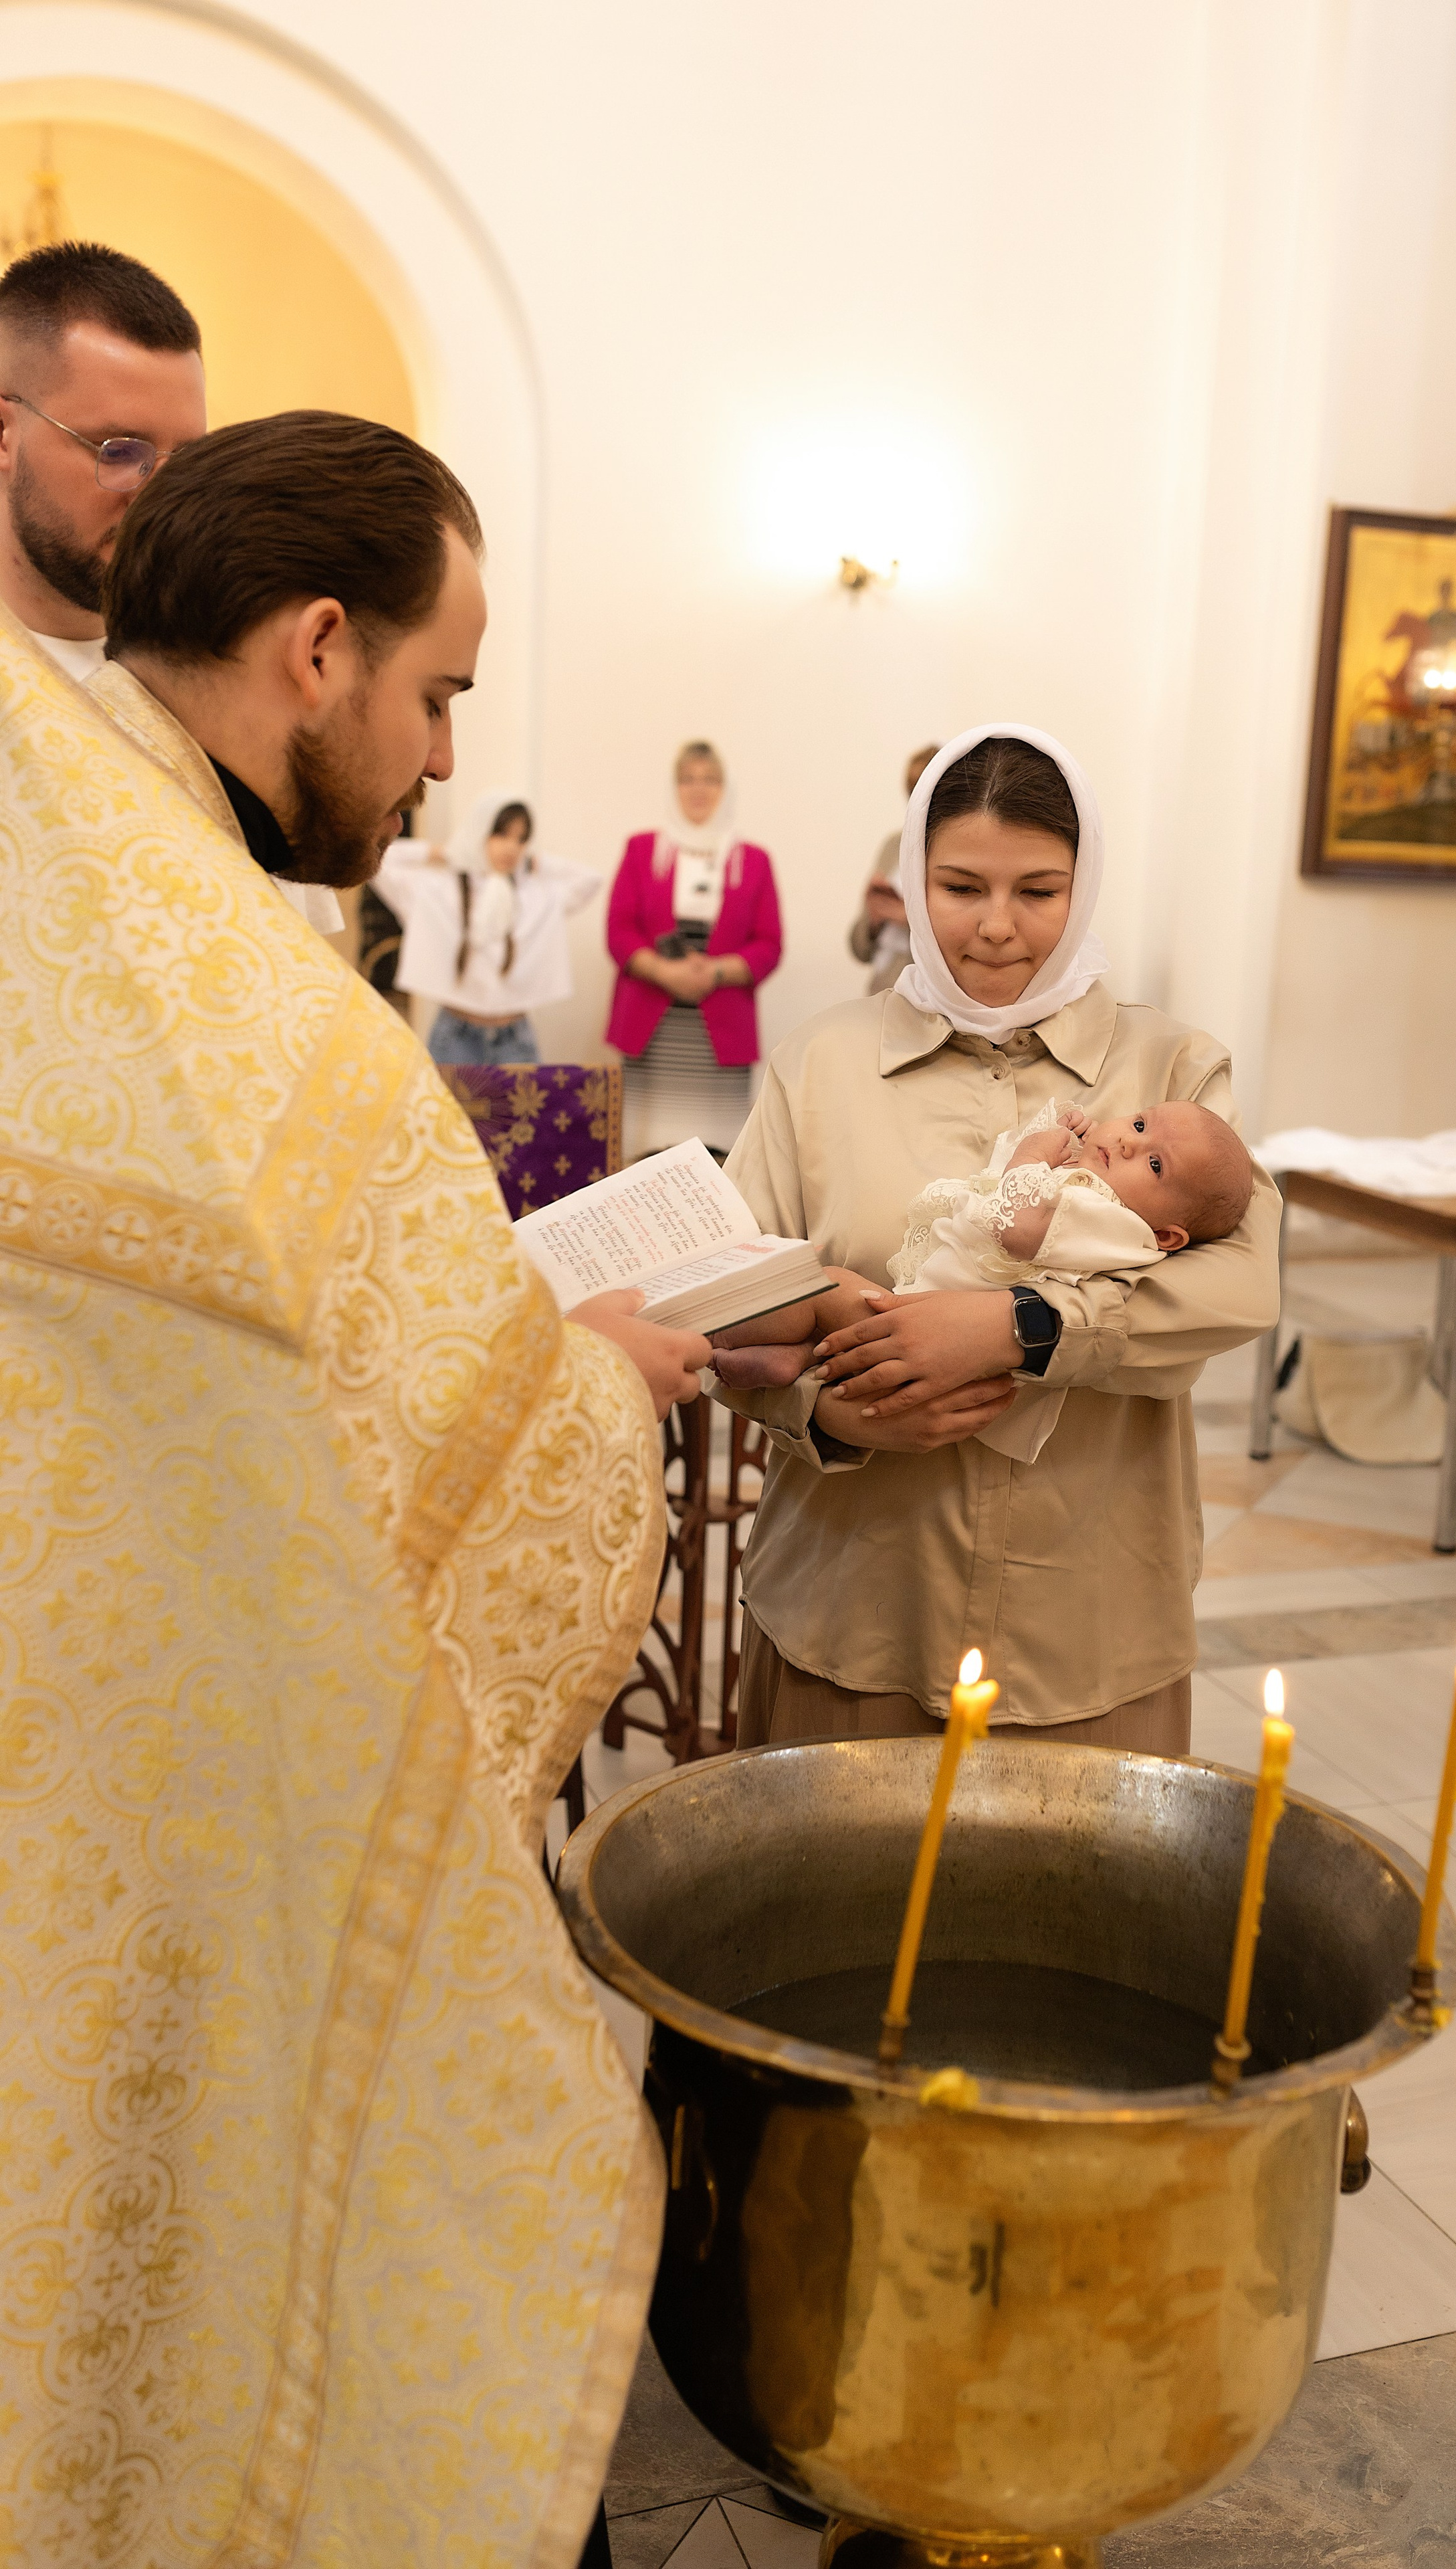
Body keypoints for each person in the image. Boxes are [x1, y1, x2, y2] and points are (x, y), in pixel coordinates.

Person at [0, 409, 709, 2564]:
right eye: (438, 693)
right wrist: (602, 1380)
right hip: (168, 1790)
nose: (432, 759)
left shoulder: (50, 811)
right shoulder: (272, 1011)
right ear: (319, 647)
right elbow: (465, 1485)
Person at [716, 723, 1281, 1749]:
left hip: (1086, 1630)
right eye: (960, 886)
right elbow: (730, 1302)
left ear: (1086, 886)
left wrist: (1021, 1326)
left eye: (1039, 891)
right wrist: (837, 1418)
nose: (997, 928)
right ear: (909, 882)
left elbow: (1241, 1287)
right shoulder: (820, 1065)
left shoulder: (1173, 1070)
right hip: (855, 1607)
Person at [712, 1097, 1255, 1463]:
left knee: (822, 1284)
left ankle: (716, 1335)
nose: (1131, 1144)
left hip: (922, 1326)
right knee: (827, 1323)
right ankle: (789, 1360)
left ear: (1169, 1237)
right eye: (1138, 1125)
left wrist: (1034, 1154)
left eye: (1157, 1165)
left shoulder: (1116, 1221)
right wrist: (1069, 1139)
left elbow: (1018, 1225)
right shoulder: (1103, 1207)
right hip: (927, 1328)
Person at [0, 238, 205, 684]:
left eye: (188, 458)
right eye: (121, 450)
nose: (161, 500)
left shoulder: (207, 674)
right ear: (4, 434)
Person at [606, 739, 782, 1157]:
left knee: (716, 1158)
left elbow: (770, 944)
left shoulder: (753, 859)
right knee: (640, 1154)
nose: (698, 789)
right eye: (687, 779)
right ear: (674, 787)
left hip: (720, 1035)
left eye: (710, 779)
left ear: (726, 789)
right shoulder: (642, 850)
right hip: (652, 1031)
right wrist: (665, 972)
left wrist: (716, 972)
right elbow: (619, 930)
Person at [380, 787, 603, 1064]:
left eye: (521, 839)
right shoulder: (439, 891)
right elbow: (381, 863)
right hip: (456, 1035)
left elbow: (590, 880)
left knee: (524, 1108)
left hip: (515, 1037)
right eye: (502, 834)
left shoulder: (533, 896)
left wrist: (537, 862)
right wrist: (444, 853)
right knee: (447, 1108)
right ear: (479, 831)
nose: (512, 847)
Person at [849, 740, 940, 992]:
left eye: (926, 784)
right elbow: (859, 949)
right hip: (883, 990)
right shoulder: (893, 846)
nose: (918, 795)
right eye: (912, 787)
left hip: (930, 997)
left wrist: (910, 919)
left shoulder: (960, 851)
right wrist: (874, 919)